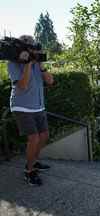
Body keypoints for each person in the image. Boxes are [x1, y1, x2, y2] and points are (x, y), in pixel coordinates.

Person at [7, 35, 54, 186]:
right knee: (33, 138)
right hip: (22, 106)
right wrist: (27, 64)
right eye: (30, 46)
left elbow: (50, 81)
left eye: (34, 46)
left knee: (44, 135)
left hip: (38, 106)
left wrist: (40, 66)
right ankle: (29, 171)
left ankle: (33, 161)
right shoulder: (13, 63)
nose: (33, 49)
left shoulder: (37, 63)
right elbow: (22, 85)